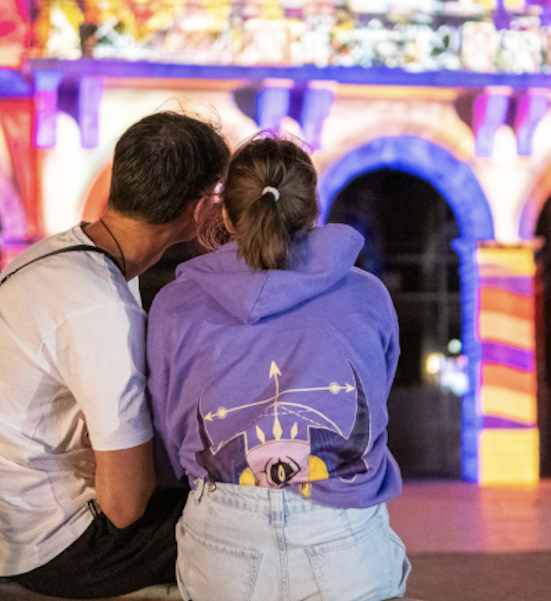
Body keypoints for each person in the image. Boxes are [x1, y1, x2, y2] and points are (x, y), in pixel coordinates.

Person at [0, 111, 230, 598]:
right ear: (198, 207)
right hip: (56, 549)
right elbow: (124, 505)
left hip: (7, 530)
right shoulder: (98, 305)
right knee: (254, 523)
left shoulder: (60, 257)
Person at [147, 135, 411, 601]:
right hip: (345, 531)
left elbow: (171, 429)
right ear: (312, 212)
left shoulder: (174, 305)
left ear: (225, 214)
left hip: (223, 535)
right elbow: (377, 390)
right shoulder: (367, 294)